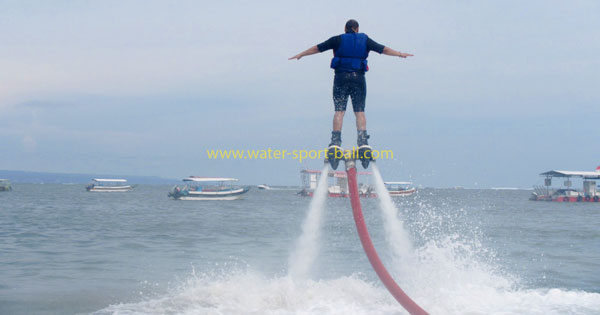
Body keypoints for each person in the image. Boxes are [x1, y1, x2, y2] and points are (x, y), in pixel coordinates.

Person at [289, 19, 413, 168]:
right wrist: (400, 54)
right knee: (359, 111)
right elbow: (383, 49)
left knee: (339, 111)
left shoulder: (337, 39)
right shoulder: (365, 39)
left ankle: (335, 142)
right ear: (357, 29)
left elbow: (317, 48)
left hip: (341, 78)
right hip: (358, 79)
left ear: (345, 28)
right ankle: (362, 141)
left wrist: (301, 54)